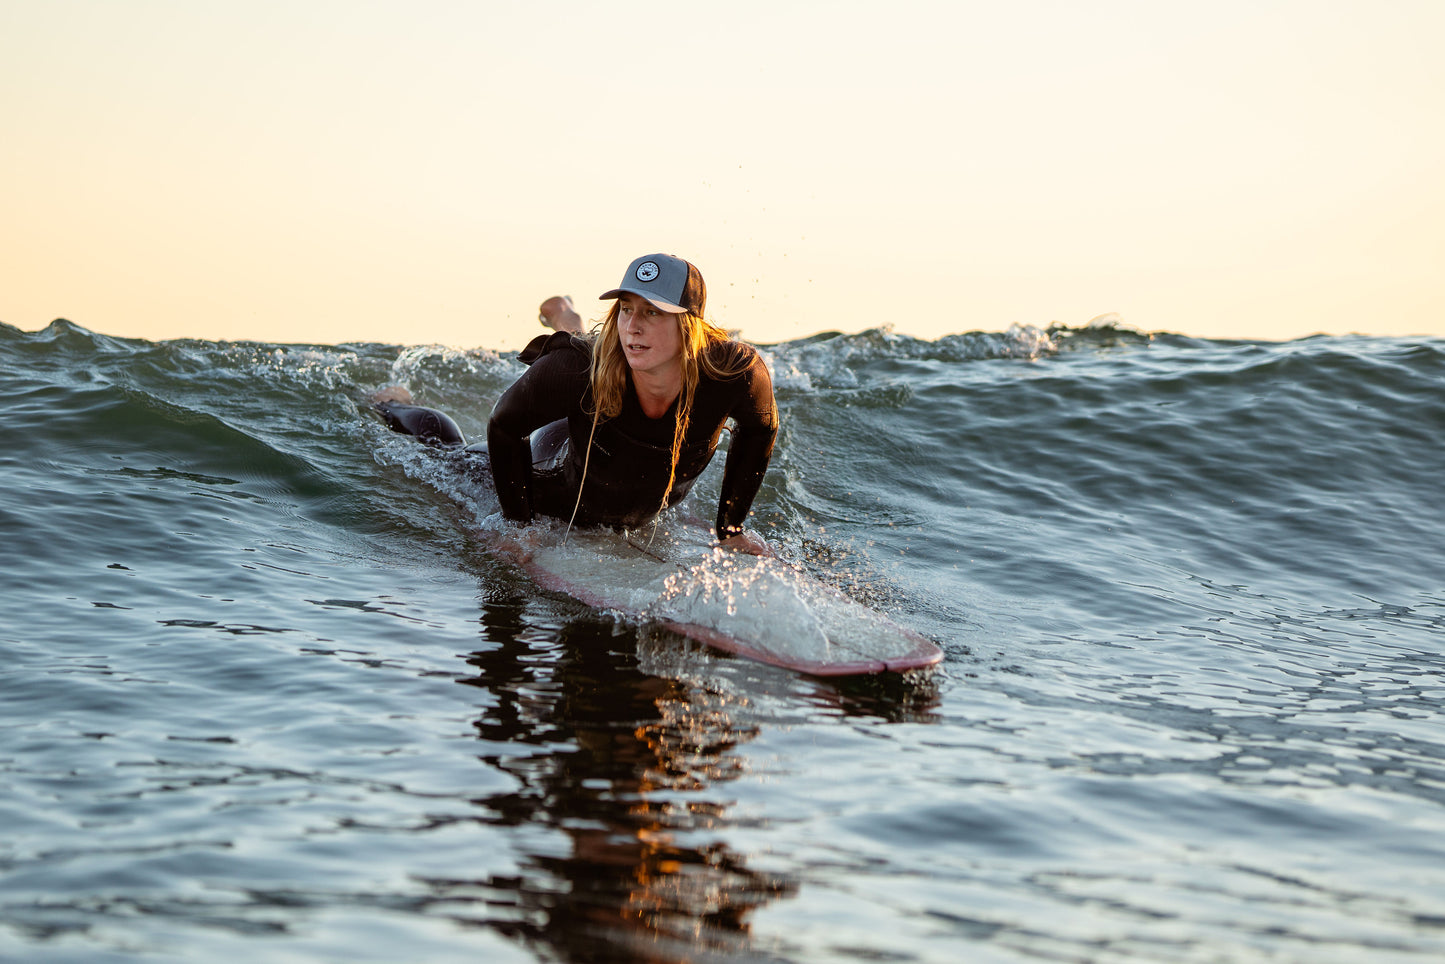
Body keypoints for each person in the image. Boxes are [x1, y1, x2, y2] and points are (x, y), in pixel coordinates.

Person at [375, 253, 778, 555]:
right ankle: (392, 401)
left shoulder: (734, 373)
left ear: (689, 325)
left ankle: (565, 314)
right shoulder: (577, 367)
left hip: (595, 427)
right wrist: (519, 525)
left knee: (604, 354)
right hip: (552, 467)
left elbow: (761, 428)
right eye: (625, 309)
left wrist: (731, 530)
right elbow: (502, 424)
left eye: (652, 312)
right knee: (445, 452)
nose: (633, 325)